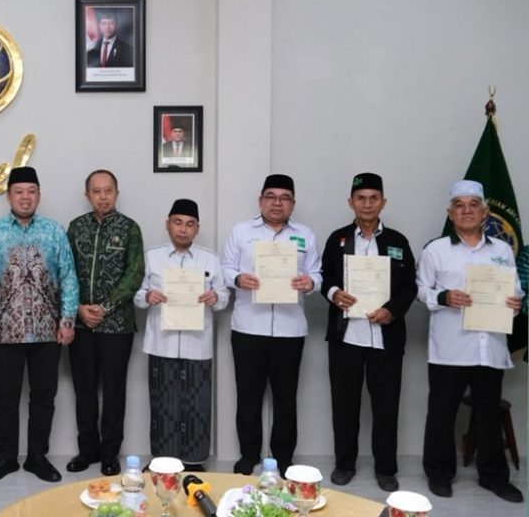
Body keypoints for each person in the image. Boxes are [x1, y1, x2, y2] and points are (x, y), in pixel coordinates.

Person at [417, 180, 524, 503]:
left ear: (485, 212)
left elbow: (514, 290)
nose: (466, 211)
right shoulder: (436, 250)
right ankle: (439, 473)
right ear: (450, 213)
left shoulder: (501, 250)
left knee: (488, 415)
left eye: (473, 205)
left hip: (489, 348)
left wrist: (515, 302)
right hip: (450, 348)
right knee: (441, 414)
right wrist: (444, 296)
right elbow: (421, 290)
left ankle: (493, 477)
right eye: (459, 205)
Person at [0, 166, 79, 483]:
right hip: (4, 332)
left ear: (39, 195)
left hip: (47, 332)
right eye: (19, 191)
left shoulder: (54, 231)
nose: (25, 197)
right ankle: (5, 458)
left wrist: (67, 320)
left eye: (31, 191)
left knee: (44, 398)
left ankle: (37, 457)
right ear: (9, 196)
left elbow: (68, 277)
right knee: (6, 398)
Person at [320, 173, 416, 492]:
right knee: (344, 405)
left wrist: (392, 311)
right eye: (361, 198)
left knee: (386, 407)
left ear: (383, 203)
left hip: (386, 336)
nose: (367, 204)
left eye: (374, 198)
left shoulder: (398, 242)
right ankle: (344, 464)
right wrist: (334, 293)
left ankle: (386, 468)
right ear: (351, 202)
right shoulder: (338, 239)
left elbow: (410, 286)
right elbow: (324, 277)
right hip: (346, 336)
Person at [221, 174, 321, 475]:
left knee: (286, 397)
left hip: (290, 329)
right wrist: (238, 278)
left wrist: (309, 283)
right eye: (271, 197)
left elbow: (317, 273)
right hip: (248, 327)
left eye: (284, 198)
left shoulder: (305, 235)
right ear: (261, 200)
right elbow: (226, 268)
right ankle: (248, 454)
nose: (277, 203)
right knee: (248, 396)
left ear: (293, 203)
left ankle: (283, 457)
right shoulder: (241, 232)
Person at [135, 199, 229, 471]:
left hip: (198, 344)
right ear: (168, 224)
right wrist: (148, 296)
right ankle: (162, 462)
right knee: (163, 405)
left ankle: (194, 461)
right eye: (178, 223)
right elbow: (137, 295)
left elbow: (224, 296)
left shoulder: (209, 258)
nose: (183, 229)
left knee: (197, 405)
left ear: (197, 228)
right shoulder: (152, 257)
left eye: (190, 224)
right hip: (161, 343)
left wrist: (215, 297)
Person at [65, 170, 144, 476]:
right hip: (81, 324)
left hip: (117, 326)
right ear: (88, 195)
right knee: (84, 390)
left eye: (108, 191)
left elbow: (134, 273)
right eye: (96, 191)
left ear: (116, 193)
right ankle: (87, 451)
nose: (102, 197)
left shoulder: (129, 228)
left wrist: (105, 307)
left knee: (113, 391)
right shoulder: (76, 227)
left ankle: (110, 453)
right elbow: (66, 271)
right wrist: (78, 309)